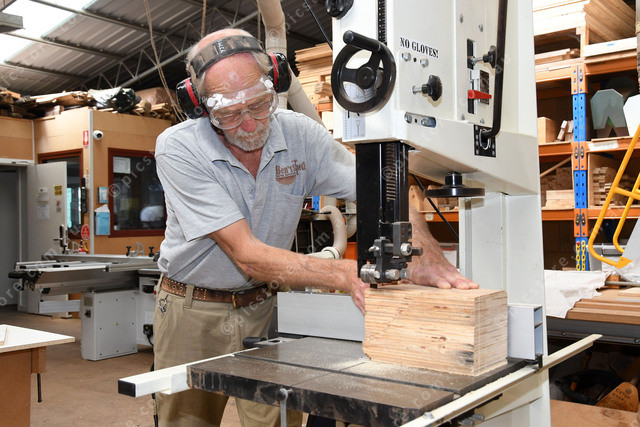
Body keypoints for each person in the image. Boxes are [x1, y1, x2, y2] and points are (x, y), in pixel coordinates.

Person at [153, 27, 478, 427]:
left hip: (263, 306)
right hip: (192, 310)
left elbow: (382, 189)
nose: (249, 124)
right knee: (187, 422)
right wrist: (347, 274)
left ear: (274, 83)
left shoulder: (300, 135)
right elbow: (247, 255)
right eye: (229, 114)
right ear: (200, 106)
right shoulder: (179, 148)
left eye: (259, 105)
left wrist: (426, 254)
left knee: (277, 421)